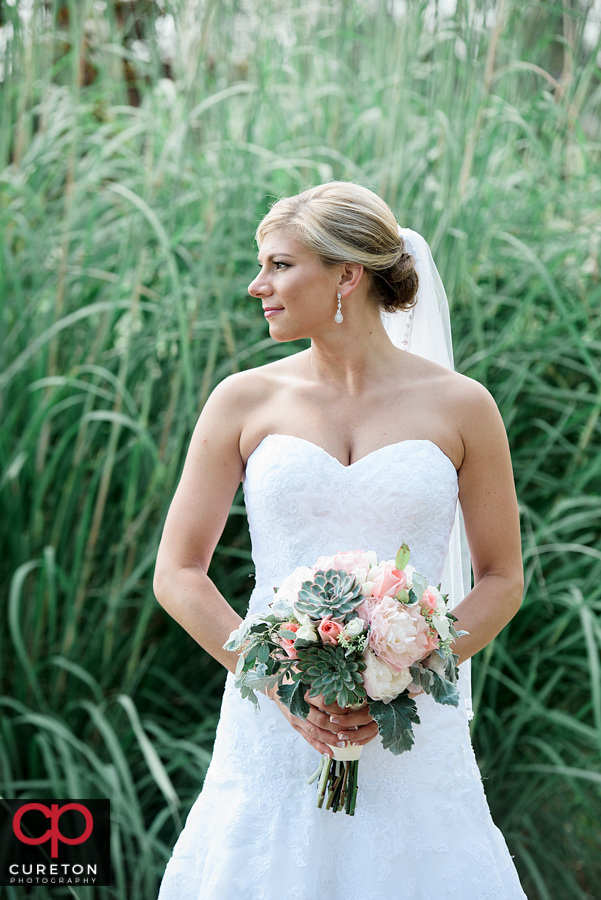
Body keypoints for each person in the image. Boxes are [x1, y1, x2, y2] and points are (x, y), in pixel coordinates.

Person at [154, 182, 527, 899]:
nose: (256, 285)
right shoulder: (243, 399)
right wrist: (278, 683)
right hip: (272, 720)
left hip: (411, 726)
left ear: (346, 276)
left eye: (278, 265)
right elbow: (177, 571)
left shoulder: (463, 406)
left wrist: (404, 671)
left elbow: (501, 577)